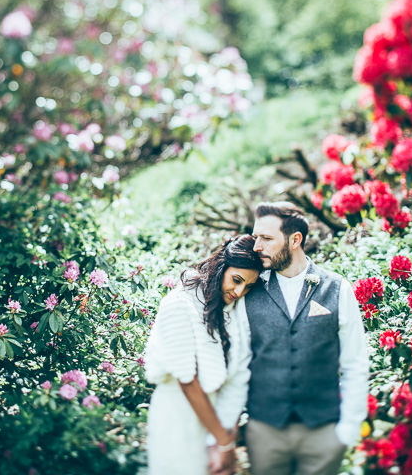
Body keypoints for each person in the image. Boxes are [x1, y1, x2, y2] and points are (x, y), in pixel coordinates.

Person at [245, 201, 369, 475]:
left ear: (295, 240)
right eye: (256, 237)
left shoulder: (337, 289)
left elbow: (355, 363)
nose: (257, 246)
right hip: (265, 432)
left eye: (266, 238)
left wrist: (347, 430)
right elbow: (237, 362)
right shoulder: (248, 291)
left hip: (322, 433)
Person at [144, 234, 264, 475]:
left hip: (214, 421)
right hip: (177, 419)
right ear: (221, 268)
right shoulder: (179, 305)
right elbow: (188, 382)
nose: (240, 291)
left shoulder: (231, 310)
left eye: (249, 286)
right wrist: (224, 442)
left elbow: (237, 373)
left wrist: (220, 435)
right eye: (237, 280)